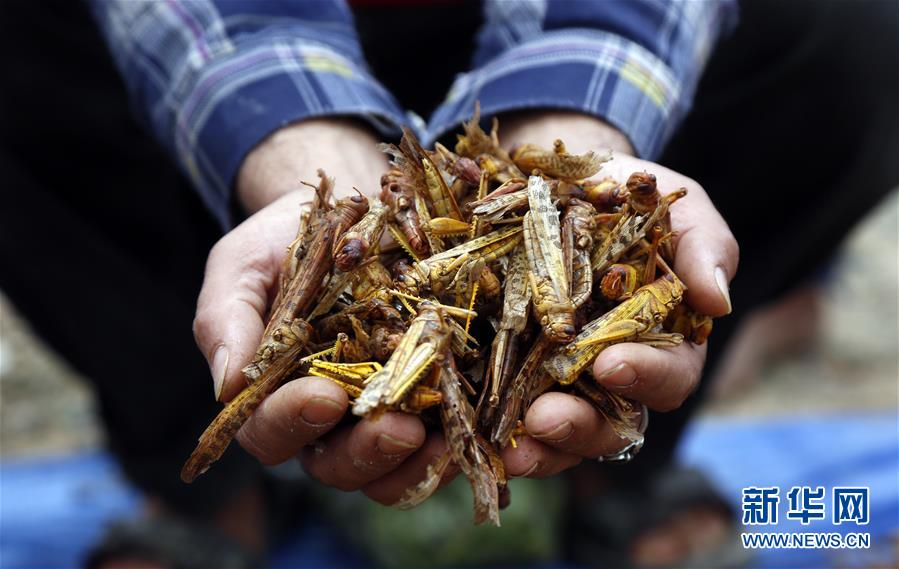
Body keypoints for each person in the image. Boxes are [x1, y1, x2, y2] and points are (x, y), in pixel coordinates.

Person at [1, 1, 895, 567]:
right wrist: (296, 149)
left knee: (845, 36)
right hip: (241, 66)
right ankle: (202, 485)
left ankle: (621, 466)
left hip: (535, 53)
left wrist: (571, 120)